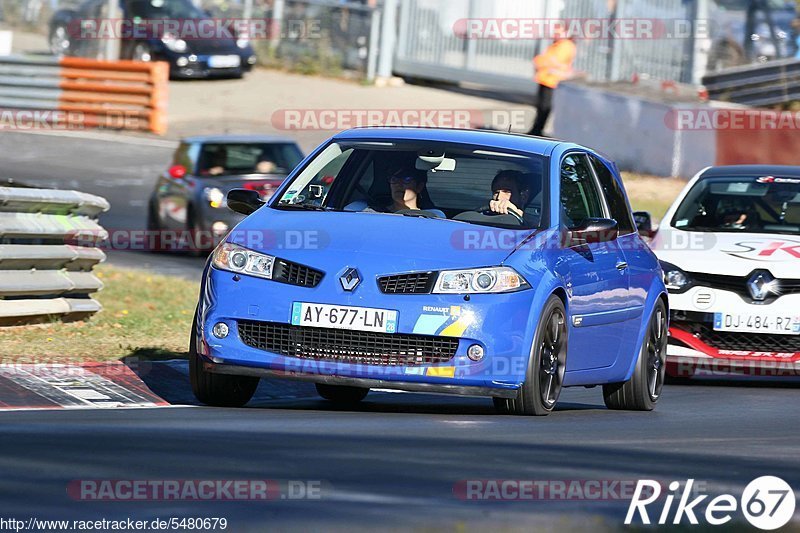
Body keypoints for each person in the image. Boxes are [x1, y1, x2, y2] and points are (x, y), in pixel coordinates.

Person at [529, 31, 576, 137]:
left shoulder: (565, 46)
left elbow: (552, 61)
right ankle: (536, 129)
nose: (555, 34)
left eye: (558, 31)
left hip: (553, 80)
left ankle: (537, 130)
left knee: (545, 107)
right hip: (545, 79)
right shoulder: (556, 45)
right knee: (541, 106)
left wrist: (540, 61)